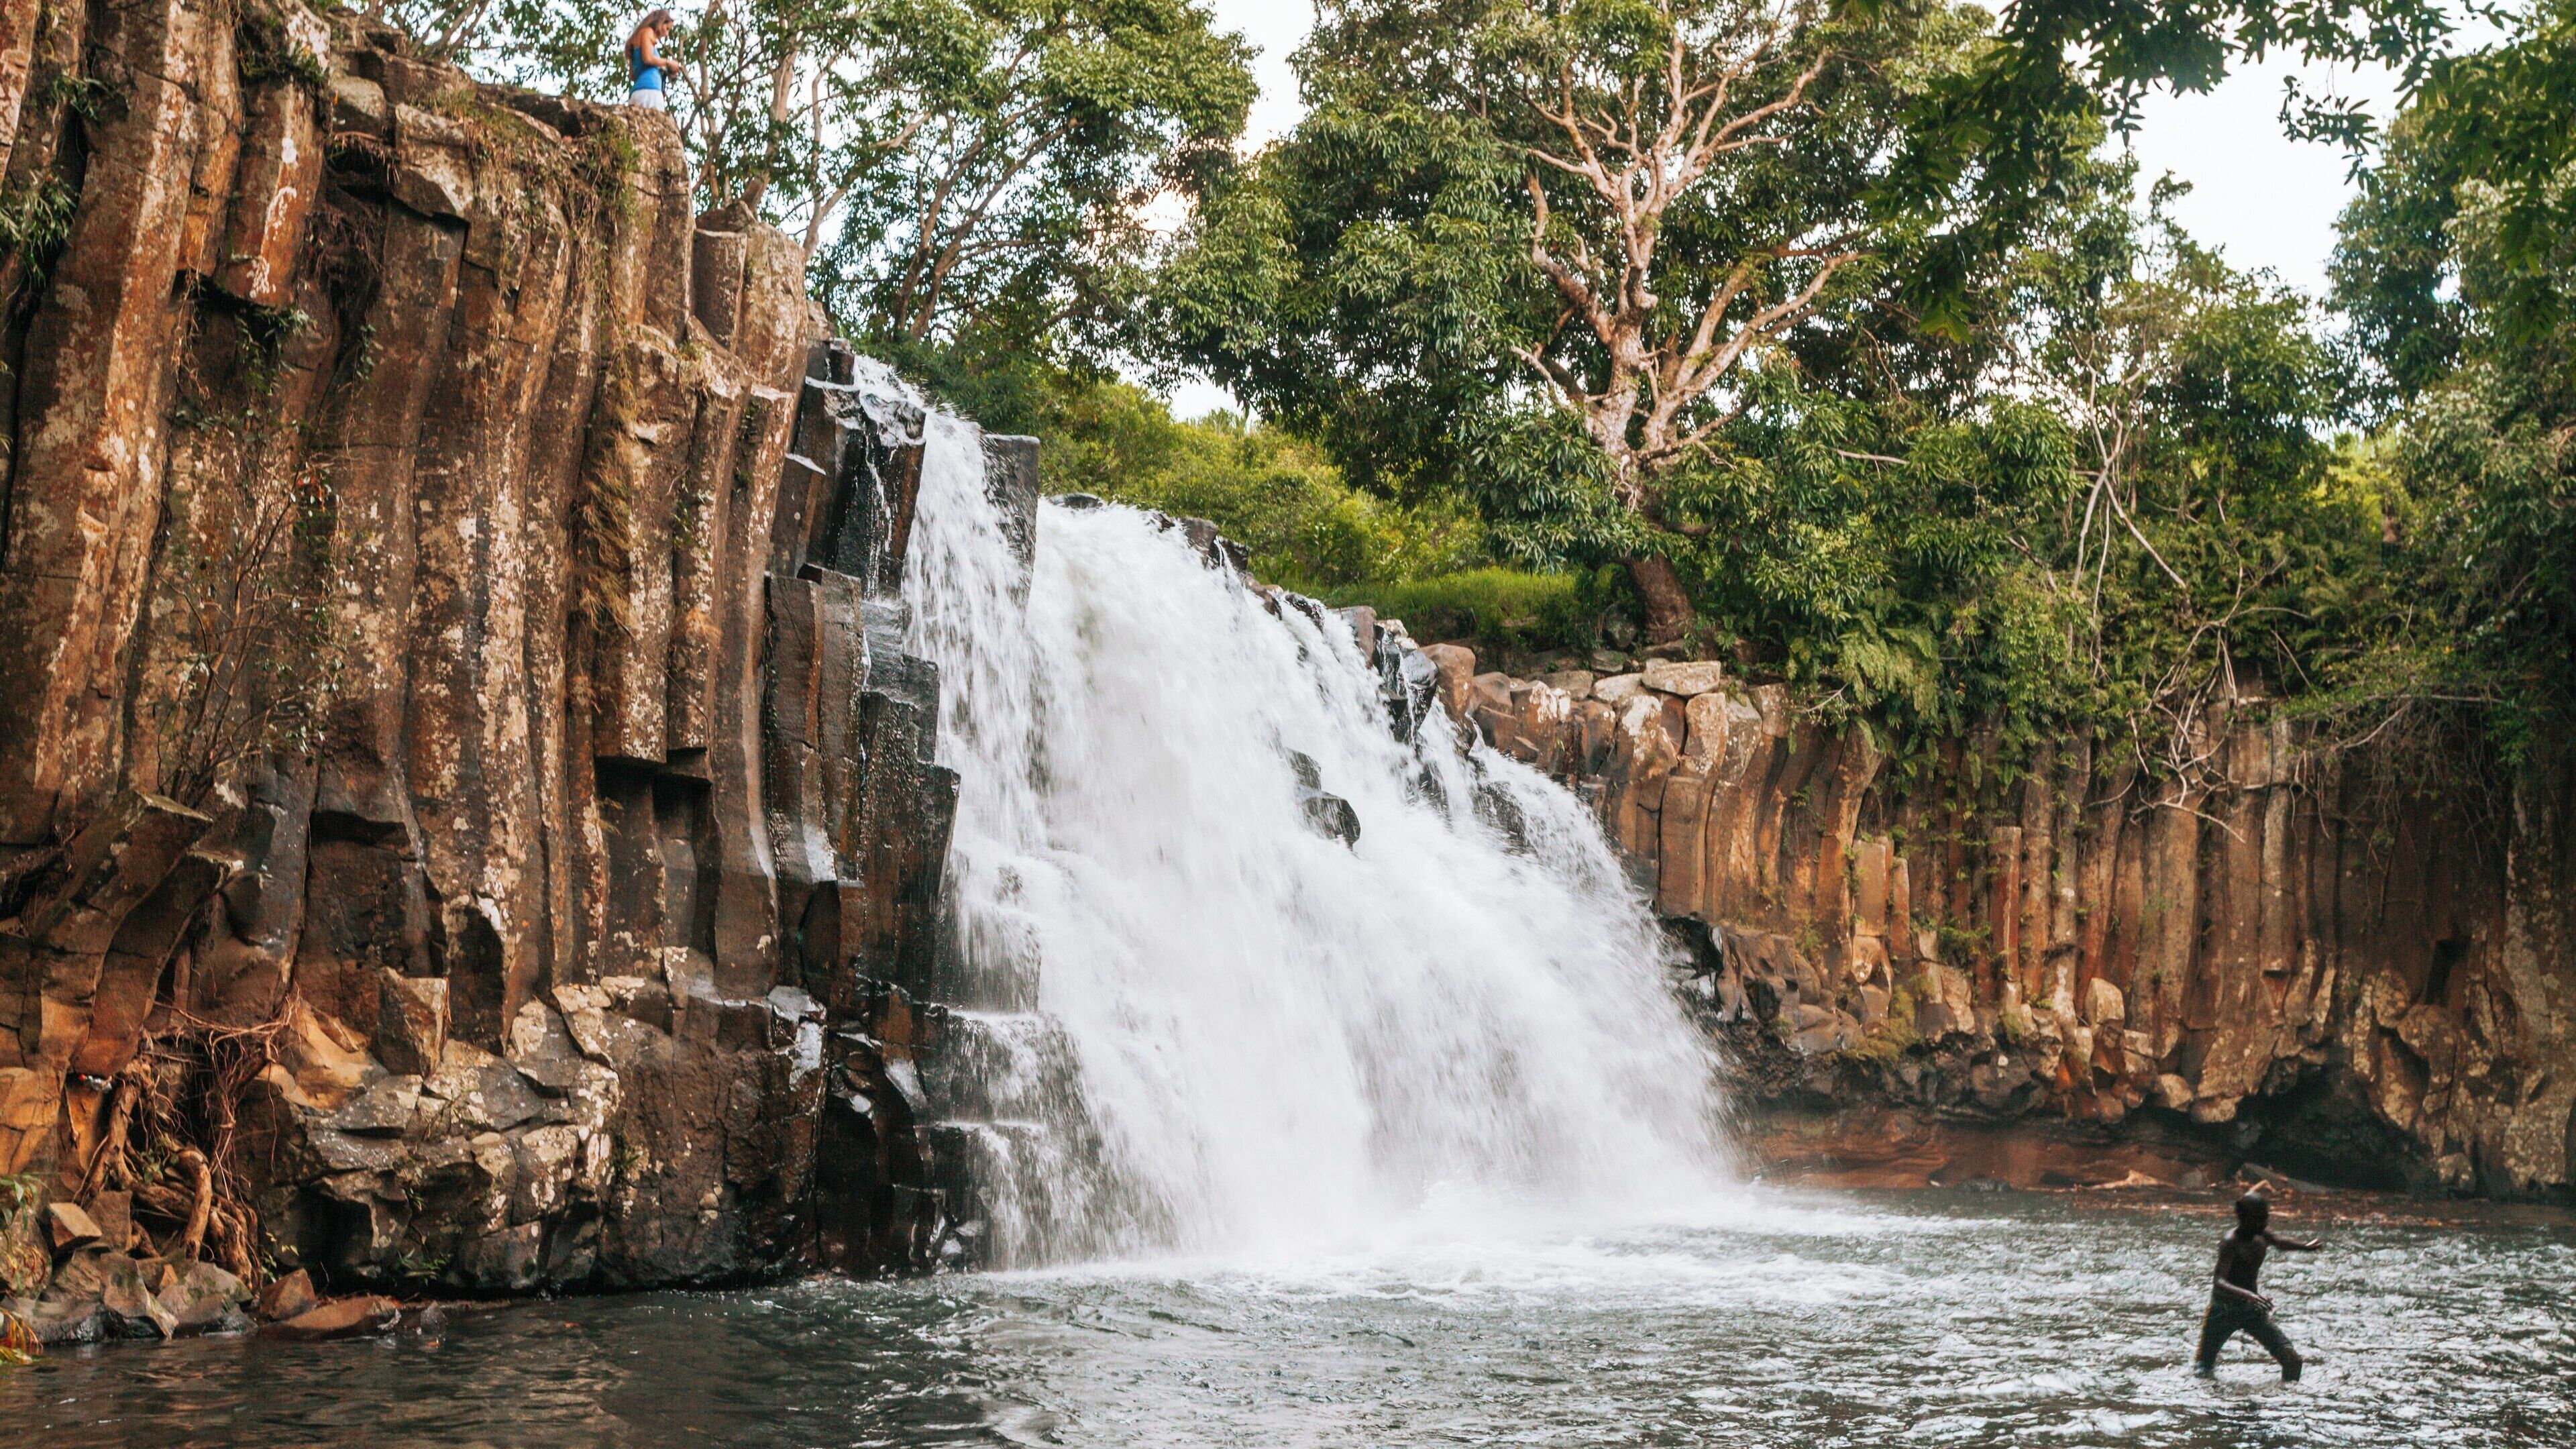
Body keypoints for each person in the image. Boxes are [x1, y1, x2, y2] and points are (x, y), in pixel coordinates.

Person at [2193, 1190, 2322, 1381]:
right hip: (2222, 1312)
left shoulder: (2262, 1235)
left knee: (2292, 1360)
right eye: (2258, 1219)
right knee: (2202, 1369)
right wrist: (2249, 1295)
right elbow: (2219, 1281)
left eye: (2265, 1219)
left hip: (2251, 1311)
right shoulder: (2230, 1242)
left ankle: (2288, 1397)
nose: (2263, 1224)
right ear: (2242, 1217)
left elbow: (2280, 1243)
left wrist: (2305, 1247)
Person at [626, 10, 681, 110]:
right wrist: (668, 62)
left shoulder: (636, 39)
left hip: (638, 92)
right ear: (660, 22)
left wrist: (663, 69)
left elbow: (633, 75)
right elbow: (648, 58)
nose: (667, 34)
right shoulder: (647, 31)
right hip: (649, 92)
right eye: (667, 29)